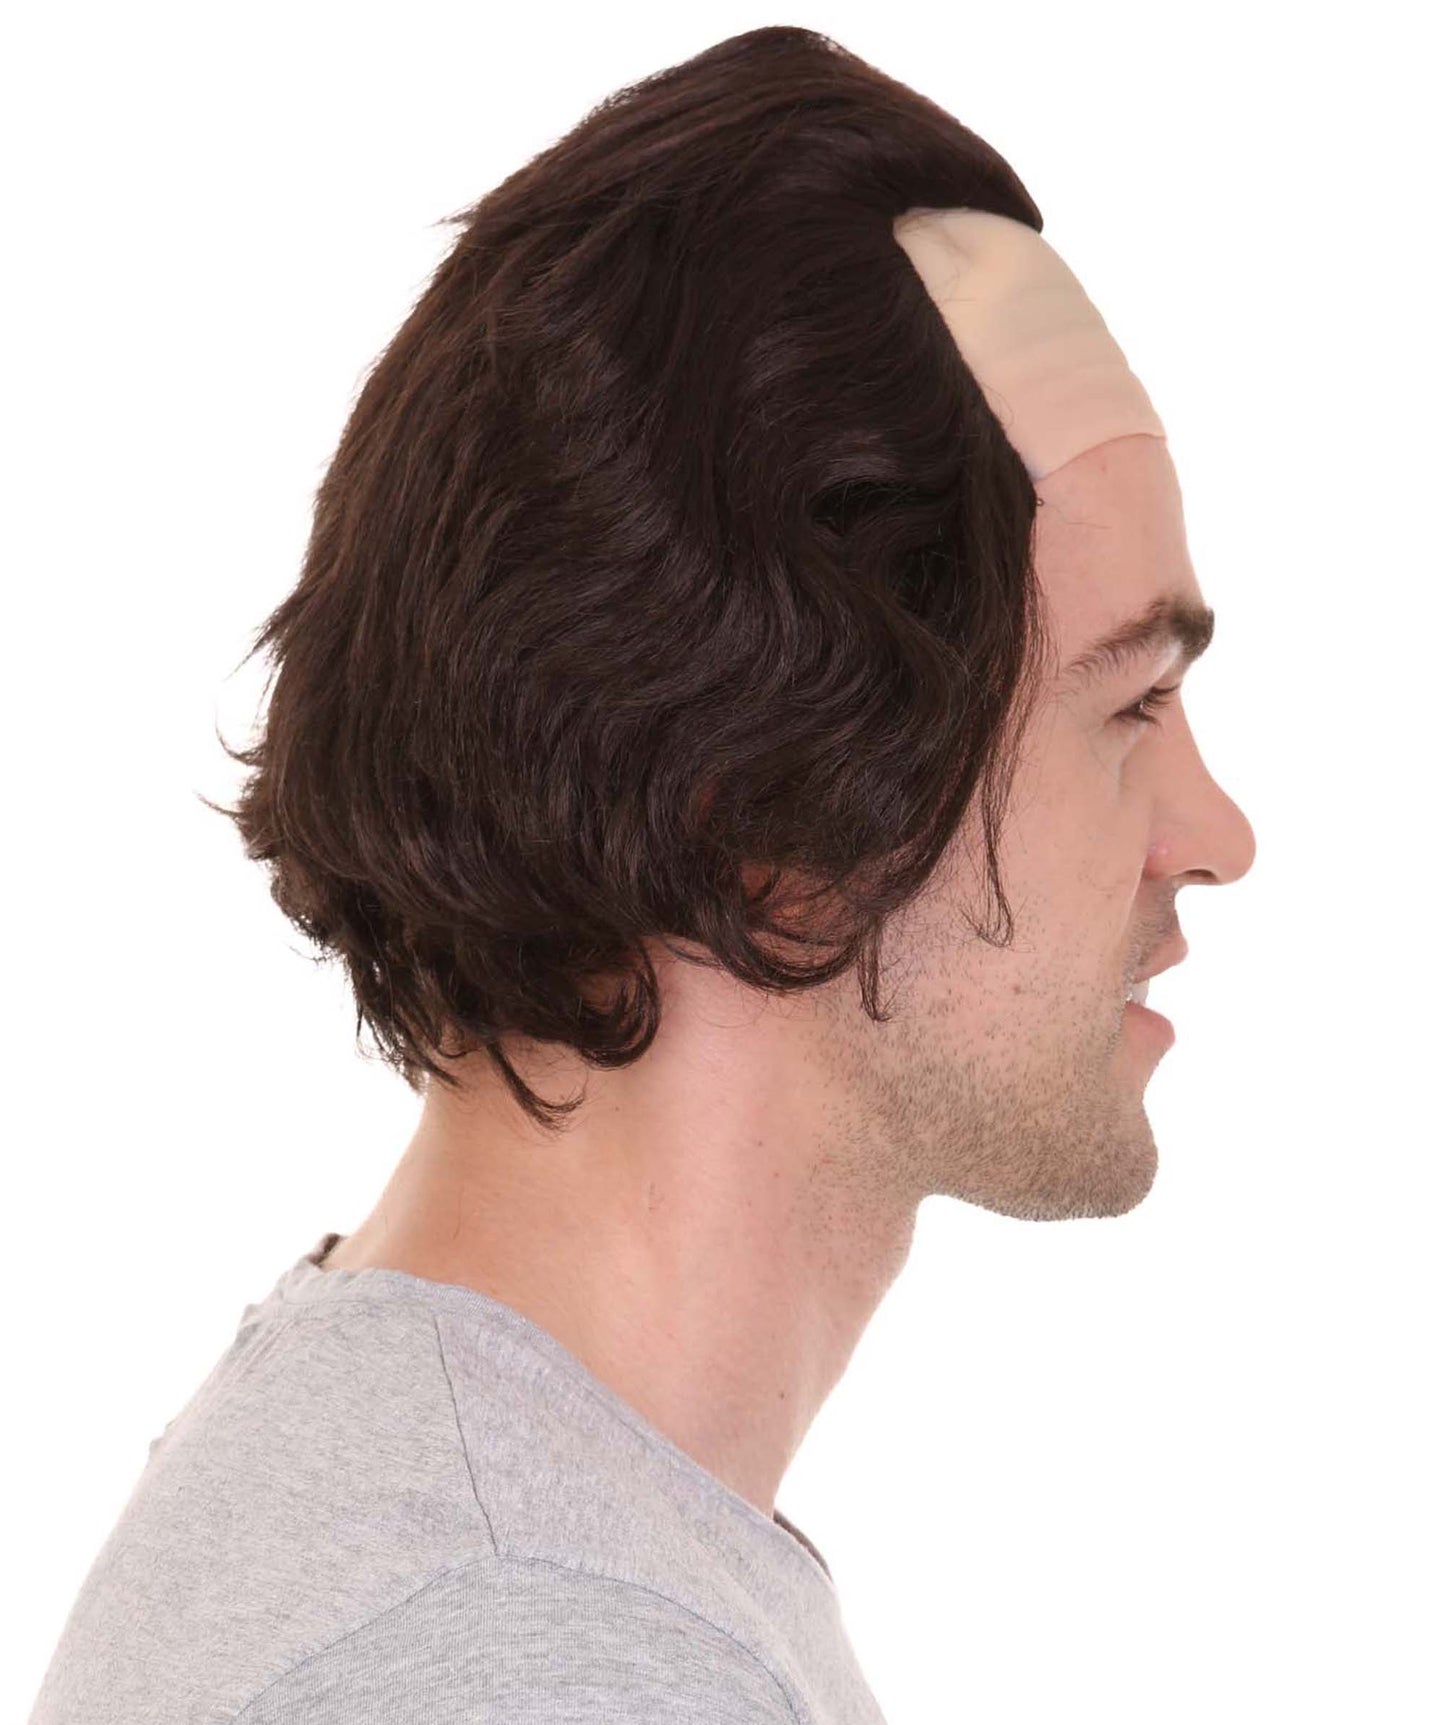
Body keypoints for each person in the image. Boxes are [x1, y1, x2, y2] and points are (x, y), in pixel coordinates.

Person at [29, 25, 1254, 1725]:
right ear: (777, 803)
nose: (1215, 833)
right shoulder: (523, 1649)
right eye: (1126, 705)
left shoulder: (489, 1529)